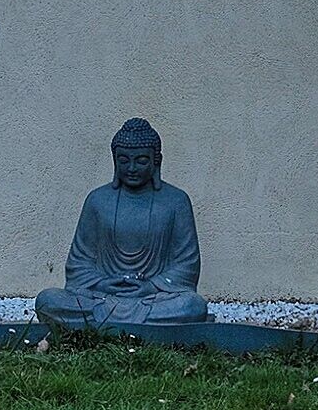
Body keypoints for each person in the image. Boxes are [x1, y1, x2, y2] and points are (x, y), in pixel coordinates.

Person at [34, 117, 207, 325]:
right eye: (124, 161)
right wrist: (102, 283)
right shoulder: (97, 200)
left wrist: (151, 286)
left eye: (141, 161)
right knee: (47, 300)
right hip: (101, 297)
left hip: (152, 297)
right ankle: (136, 324)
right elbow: (79, 262)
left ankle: (104, 324)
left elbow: (186, 264)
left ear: (156, 161)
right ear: (115, 160)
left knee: (193, 306)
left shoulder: (176, 201)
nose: (132, 168)